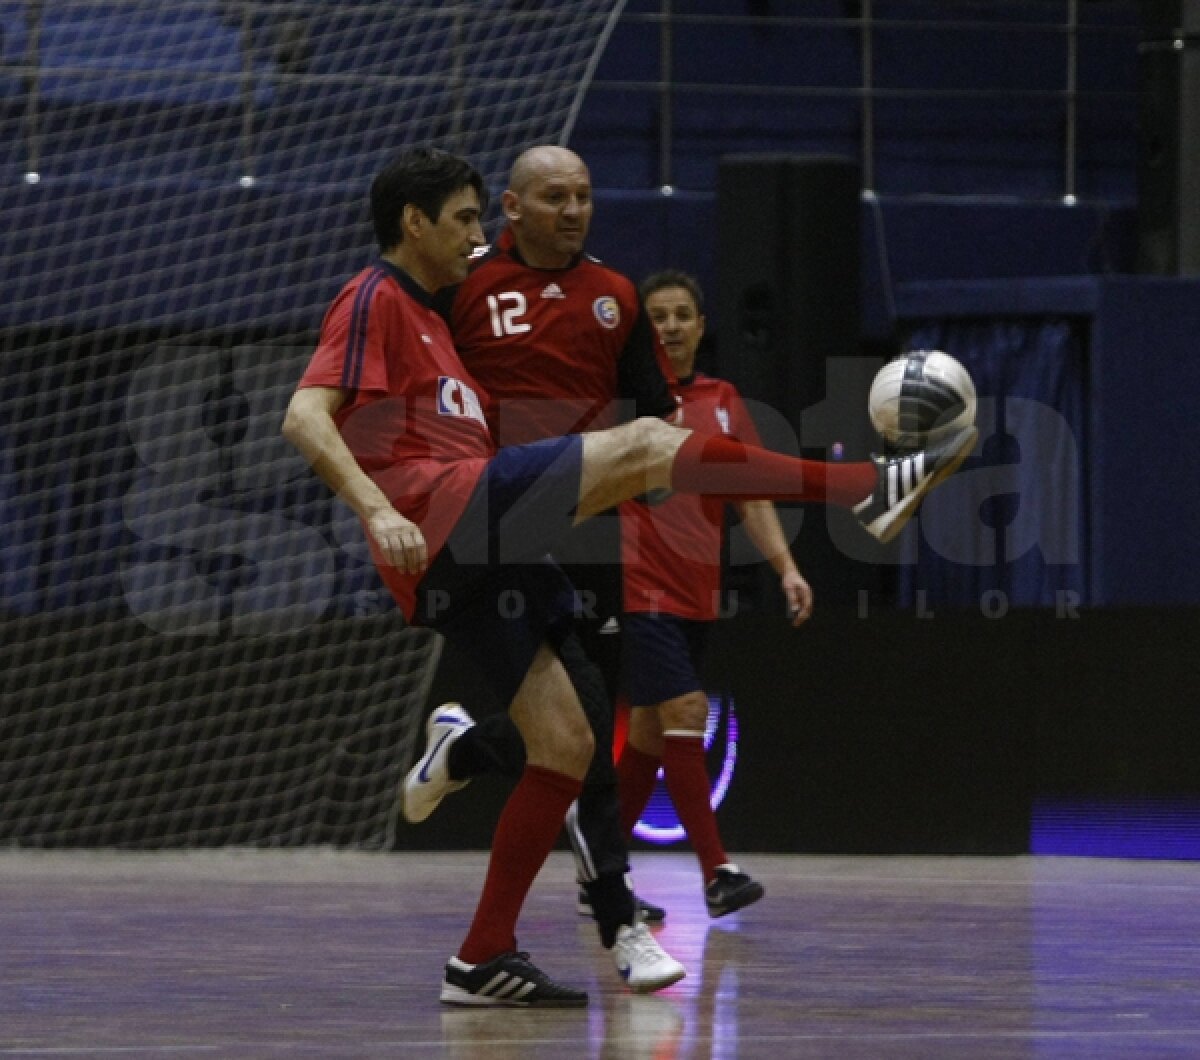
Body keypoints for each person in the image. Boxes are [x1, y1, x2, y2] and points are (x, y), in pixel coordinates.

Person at [281, 146, 976, 1007]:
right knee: (651, 442)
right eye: (464, 219)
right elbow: (304, 414)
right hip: (442, 515)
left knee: (567, 748)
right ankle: (868, 489)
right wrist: (375, 509)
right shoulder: (378, 295)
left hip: (482, 541)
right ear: (414, 223)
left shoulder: (451, 313)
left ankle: (481, 956)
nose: (475, 236)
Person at [404, 146, 677, 957]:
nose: (574, 210)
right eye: (555, 196)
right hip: (498, 524)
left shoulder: (616, 295)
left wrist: (654, 485)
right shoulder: (462, 285)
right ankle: (619, 918)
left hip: (592, 528)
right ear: (512, 209)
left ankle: (466, 747)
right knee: (586, 727)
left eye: (585, 196)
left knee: (588, 730)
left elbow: (655, 413)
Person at [616, 269, 812, 917]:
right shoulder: (626, 399)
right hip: (638, 586)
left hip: (695, 593)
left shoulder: (724, 399)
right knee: (686, 712)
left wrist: (786, 567)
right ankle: (717, 871)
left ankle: (604, 880)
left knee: (648, 735)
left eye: (681, 315)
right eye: (658, 317)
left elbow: (750, 495)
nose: (670, 327)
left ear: (701, 326)